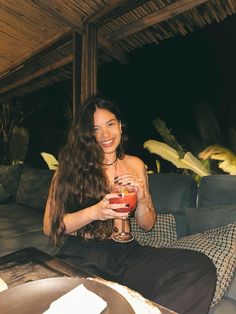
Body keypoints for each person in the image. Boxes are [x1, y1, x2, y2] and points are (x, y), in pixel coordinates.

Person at [43, 96, 216, 314]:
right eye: (95, 129)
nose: (105, 135)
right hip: (85, 254)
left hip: (129, 252)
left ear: (120, 125)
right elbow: (51, 226)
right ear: (87, 135)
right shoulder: (69, 168)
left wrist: (143, 196)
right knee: (77, 303)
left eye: (110, 124)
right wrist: (95, 212)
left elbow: (147, 224)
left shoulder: (135, 164)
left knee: (199, 267)